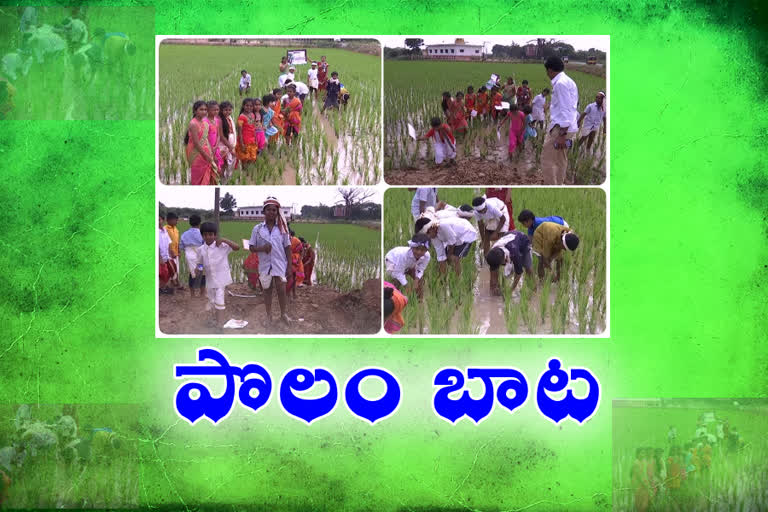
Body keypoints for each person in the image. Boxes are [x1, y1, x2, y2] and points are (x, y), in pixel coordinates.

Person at [249, 197, 293, 326]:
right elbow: (251, 247)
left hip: (279, 264)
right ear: (264, 211)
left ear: (277, 212)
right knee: (267, 290)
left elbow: (287, 247)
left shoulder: (282, 229)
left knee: (281, 290)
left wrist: (289, 266)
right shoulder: (257, 229)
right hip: (265, 265)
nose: (271, 212)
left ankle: (283, 314)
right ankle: (269, 316)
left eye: (274, 210)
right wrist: (262, 248)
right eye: (268, 209)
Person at [541, 56, 579, 185]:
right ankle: (559, 184)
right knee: (561, 158)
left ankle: (550, 186)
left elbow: (565, 109)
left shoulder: (560, 84)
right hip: (569, 127)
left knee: (546, 159)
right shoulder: (568, 81)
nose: (546, 74)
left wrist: (562, 134)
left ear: (550, 70)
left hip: (561, 129)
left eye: (546, 71)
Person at [198, 222, 239, 328]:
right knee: (212, 301)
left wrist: (224, 240)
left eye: (211, 234)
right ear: (202, 235)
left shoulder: (222, 246)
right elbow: (200, 263)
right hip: (210, 281)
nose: (208, 237)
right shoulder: (201, 249)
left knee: (219, 301)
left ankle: (220, 325)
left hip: (221, 280)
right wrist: (198, 270)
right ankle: (215, 320)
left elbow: (237, 247)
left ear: (215, 235)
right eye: (205, 235)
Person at [485, 231, 533, 296]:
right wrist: (493, 289)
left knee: (527, 267)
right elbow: (493, 271)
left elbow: (518, 273)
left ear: (503, 259)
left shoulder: (515, 253)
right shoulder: (493, 253)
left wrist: (510, 290)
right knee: (496, 269)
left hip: (523, 242)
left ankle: (533, 288)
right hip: (509, 238)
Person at [385, 234, 431, 298]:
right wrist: (406, 286)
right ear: (412, 247)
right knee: (396, 282)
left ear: (426, 250)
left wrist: (417, 279)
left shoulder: (427, 256)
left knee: (420, 281)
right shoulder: (403, 255)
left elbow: (421, 269)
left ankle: (420, 301)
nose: (419, 252)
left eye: (422, 250)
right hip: (393, 260)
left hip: (409, 263)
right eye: (416, 249)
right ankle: (394, 300)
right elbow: (398, 272)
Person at [184, 100, 218, 185]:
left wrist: (211, 153)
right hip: (196, 153)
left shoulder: (205, 123)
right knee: (197, 175)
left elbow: (206, 139)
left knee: (207, 175)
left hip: (206, 151)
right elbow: (196, 143)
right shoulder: (193, 124)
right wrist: (205, 155)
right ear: (195, 111)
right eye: (201, 109)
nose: (204, 112)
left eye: (205, 110)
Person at [180, 214, 205, 297]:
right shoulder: (202, 234)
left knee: (192, 273)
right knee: (201, 273)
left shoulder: (184, 234)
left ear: (190, 223)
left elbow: (181, 246)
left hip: (189, 256)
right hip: (200, 255)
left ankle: (192, 294)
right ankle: (202, 293)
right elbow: (205, 245)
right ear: (199, 223)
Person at [236, 97, 260, 164]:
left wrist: (255, 139)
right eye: (247, 105)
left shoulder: (252, 115)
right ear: (243, 106)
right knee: (245, 158)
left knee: (252, 158)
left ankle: (249, 173)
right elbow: (239, 132)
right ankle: (245, 173)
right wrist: (242, 144)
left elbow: (253, 128)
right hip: (245, 141)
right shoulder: (241, 117)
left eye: (251, 106)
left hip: (252, 140)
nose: (249, 107)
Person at [218, 101, 237, 178]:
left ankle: (224, 177)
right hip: (223, 146)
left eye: (229, 110)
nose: (228, 112)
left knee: (226, 163)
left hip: (229, 145)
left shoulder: (229, 118)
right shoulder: (220, 120)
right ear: (221, 110)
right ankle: (220, 178)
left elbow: (233, 131)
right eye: (225, 110)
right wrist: (230, 146)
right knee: (221, 163)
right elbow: (221, 136)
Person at [164, 212, 182, 290]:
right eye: (175, 220)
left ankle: (176, 283)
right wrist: (171, 252)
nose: (176, 222)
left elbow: (177, 241)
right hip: (169, 253)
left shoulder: (176, 229)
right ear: (169, 220)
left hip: (176, 252)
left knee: (177, 268)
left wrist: (179, 251)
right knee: (171, 269)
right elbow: (165, 242)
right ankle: (171, 284)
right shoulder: (165, 229)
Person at [205, 100, 224, 171]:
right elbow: (205, 137)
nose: (216, 112)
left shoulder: (217, 120)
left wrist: (215, 146)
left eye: (217, 110)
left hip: (215, 147)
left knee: (216, 165)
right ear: (208, 110)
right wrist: (210, 148)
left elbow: (219, 135)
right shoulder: (205, 121)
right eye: (213, 110)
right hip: (207, 148)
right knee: (209, 166)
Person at [158, 215, 175, 295]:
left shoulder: (164, 230)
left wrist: (170, 253)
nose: (158, 222)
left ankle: (163, 288)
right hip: (159, 256)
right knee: (162, 273)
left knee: (168, 272)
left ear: (162, 220)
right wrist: (159, 258)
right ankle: (161, 288)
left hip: (166, 255)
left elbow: (168, 243)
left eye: (159, 220)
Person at [631, 447, 651, 512]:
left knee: (645, 504)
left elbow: (645, 474)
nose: (643, 455)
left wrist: (648, 485)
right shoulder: (636, 463)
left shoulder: (644, 462)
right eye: (641, 453)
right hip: (638, 486)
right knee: (640, 504)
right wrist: (647, 486)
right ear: (637, 454)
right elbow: (640, 477)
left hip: (644, 486)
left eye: (644, 453)